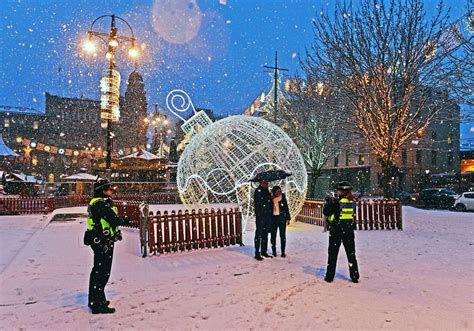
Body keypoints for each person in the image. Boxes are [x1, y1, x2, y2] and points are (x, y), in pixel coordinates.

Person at [83, 178, 129, 314]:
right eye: (109, 189)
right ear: (102, 190)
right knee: (102, 272)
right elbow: (112, 219)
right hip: (102, 241)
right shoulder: (99, 204)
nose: (111, 191)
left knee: (99, 270)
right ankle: (97, 304)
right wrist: (123, 219)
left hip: (103, 240)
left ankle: (97, 299)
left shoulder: (101, 202)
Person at [322, 181, 360, 283]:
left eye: (338, 190)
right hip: (348, 229)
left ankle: (329, 276)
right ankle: (354, 275)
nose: (337, 192)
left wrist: (329, 202)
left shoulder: (336, 202)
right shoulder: (352, 202)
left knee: (333, 254)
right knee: (351, 254)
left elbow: (326, 212)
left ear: (342, 191)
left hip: (337, 230)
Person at [253, 179, 273, 260]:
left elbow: (269, 203)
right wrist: (268, 200)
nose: (266, 184)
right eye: (265, 182)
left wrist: (271, 197)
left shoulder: (267, 191)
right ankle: (257, 253)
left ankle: (264, 251)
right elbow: (259, 202)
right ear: (261, 183)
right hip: (260, 216)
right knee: (259, 234)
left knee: (265, 234)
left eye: (267, 182)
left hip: (267, 216)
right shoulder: (258, 191)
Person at [270, 186, 291, 257]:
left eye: (279, 191)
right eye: (277, 191)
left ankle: (283, 251)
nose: (278, 192)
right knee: (273, 236)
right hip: (274, 219)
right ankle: (274, 251)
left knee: (282, 236)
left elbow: (286, 207)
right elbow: (269, 209)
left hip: (282, 219)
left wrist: (288, 218)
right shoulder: (271, 198)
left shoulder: (283, 197)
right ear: (274, 192)